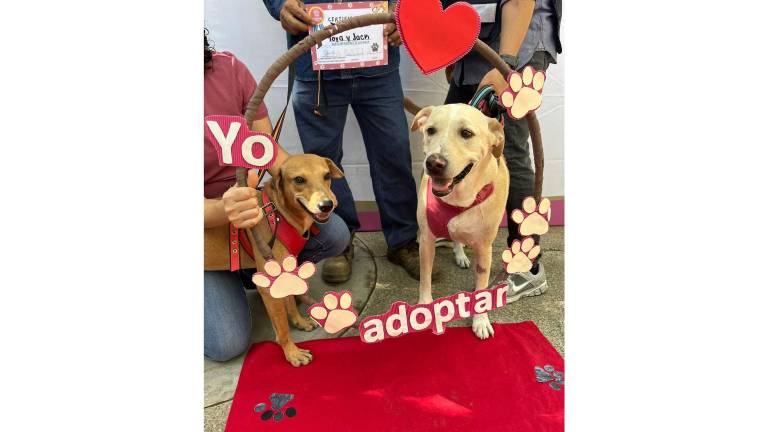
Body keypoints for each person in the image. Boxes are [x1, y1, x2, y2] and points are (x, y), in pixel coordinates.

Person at [203, 30, 349, 361]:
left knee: (334, 231)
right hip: (206, 226)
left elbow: (265, 148)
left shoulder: (228, 68)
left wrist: (314, 187)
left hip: (249, 204)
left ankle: (278, 292)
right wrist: (221, 210)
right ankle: (281, 334)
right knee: (226, 344)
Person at [262, 0, 421, 283]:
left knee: (393, 155)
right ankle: (340, 239)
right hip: (314, 65)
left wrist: (402, 10)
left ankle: (403, 241)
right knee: (321, 165)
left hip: (379, 61)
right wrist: (280, 5)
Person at [442, 0, 562, 299]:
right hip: (477, 45)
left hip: (516, 41)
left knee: (510, 152)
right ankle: (460, 229)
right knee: (455, 145)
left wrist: (504, 63)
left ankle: (527, 267)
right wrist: (455, 57)